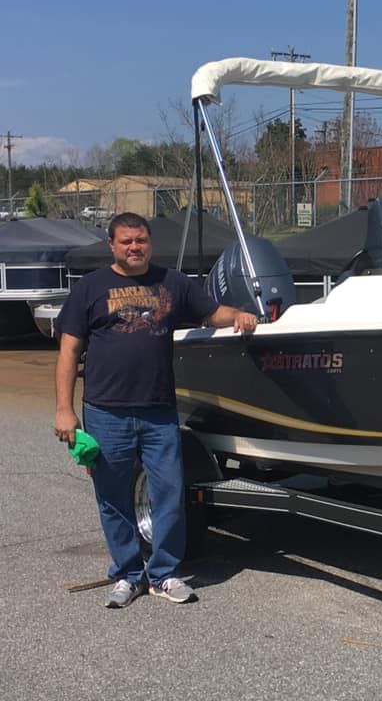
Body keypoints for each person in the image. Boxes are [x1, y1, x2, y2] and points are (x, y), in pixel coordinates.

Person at [54, 212, 258, 609]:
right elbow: (69, 351)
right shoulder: (90, 288)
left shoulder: (173, 283)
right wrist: (64, 409)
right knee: (113, 497)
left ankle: (163, 574)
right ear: (111, 245)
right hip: (105, 412)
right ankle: (128, 574)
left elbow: (212, 312)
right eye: (127, 241)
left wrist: (239, 316)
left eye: (142, 240)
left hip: (159, 411)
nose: (135, 247)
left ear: (150, 242)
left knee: (168, 493)